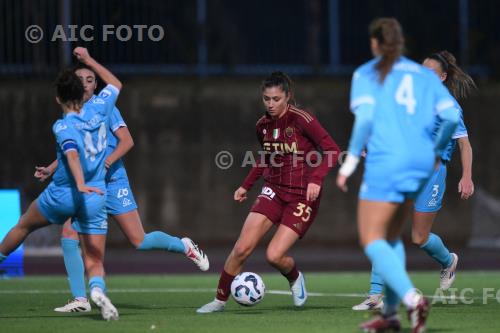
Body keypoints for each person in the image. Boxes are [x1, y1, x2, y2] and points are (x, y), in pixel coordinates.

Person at [35, 61, 209, 313]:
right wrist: (51, 169)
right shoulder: (71, 113)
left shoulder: (105, 108)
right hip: (88, 189)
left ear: (96, 86)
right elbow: (73, 152)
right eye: (80, 78)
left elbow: (127, 142)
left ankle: (184, 246)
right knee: (69, 235)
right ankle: (80, 299)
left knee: (139, 240)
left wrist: (106, 162)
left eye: (90, 79)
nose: (85, 83)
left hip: (113, 181)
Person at [336, 18, 460, 332]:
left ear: (376, 44)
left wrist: (350, 162)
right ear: (401, 43)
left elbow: (365, 122)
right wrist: (436, 151)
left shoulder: (367, 73)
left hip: (387, 161)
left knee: (373, 237)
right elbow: (450, 117)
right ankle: (389, 315)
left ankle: (411, 300)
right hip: (421, 162)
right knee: (392, 235)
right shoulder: (423, 76)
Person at [197, 71, 341, 313]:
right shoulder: (262, 125)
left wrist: (316, 179)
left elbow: (332, 150)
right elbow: (265, 158)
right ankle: (219, 300)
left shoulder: (302, 119)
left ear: (288, 96)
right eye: (266, 99)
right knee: (242, 248)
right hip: (273, 190)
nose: (271, 104)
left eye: (276, 98)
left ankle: (295, 277)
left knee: (274, 255)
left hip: (302, 195)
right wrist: (246, 185)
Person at [0, 49, 122, 321]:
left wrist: (77, 182)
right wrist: (90, 60)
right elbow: (116, 84)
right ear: (82, 95)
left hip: (63, 194)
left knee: (24, 225)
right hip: (95, 195)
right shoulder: (102, 108)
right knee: (95, 259)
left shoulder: (63, 125)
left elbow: (72, 154)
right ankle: (97, 291)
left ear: (58, 98)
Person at [352, 50, 476, 311]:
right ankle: (375, 295)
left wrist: (467, 177)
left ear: (442, 78)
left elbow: (464, 145)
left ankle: (448, 260)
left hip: (432, 174)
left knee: (419, 237)